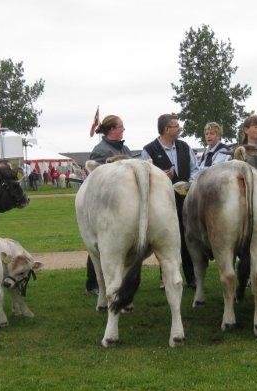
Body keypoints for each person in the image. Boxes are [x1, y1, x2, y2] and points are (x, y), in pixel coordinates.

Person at [141, 114, 199, 287]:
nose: (179, 129)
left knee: (187, 237)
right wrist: (160, 177)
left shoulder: (184, 146)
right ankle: (165, 278)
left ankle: (191, 277)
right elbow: (145, 176)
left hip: (185, 200)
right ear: (166, 129)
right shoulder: (149, 150)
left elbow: (195, 169)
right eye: (176, 126)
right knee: (164, 238)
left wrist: (189, 183)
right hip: (162, 202)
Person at [85, 115, 133, 295]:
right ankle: (94, 284)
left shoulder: (124, 148)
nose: (123, 129)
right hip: (106, 205)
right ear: (112, 129)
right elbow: (97, 180)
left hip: (124, 202)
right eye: (121, 126)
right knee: (99, 245)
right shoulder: (100, 151)